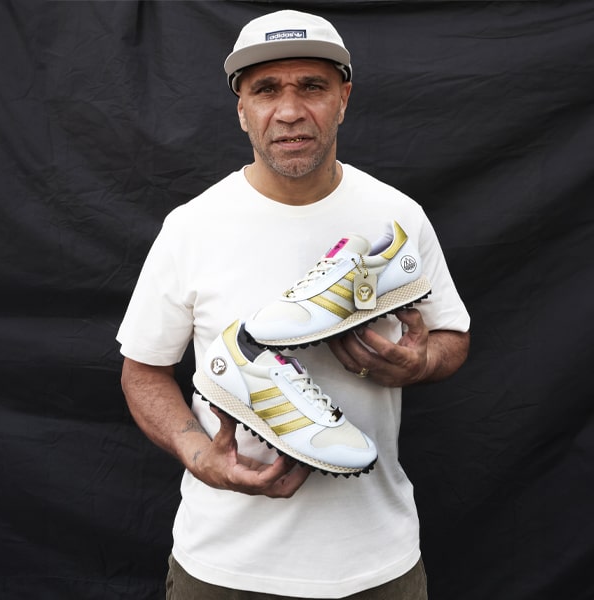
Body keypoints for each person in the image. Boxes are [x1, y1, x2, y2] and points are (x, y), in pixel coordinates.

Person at [117, 9, 470, 600]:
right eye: (266, 90)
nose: (289, 111)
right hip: (224, 568)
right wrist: (199, 454)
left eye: (312, 86)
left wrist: (421, 362)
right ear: (241, 109)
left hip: (378, 563)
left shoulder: (398, 216)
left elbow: (451, 336)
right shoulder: (191, 227)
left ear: (343, 99)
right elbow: (142, 371)